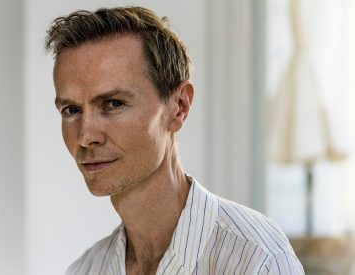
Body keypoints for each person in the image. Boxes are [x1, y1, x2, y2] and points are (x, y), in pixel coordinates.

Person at [45, 6, 304, 275]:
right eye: (72, 110)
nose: (86, 137)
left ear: (179, 107)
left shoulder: (257, 258)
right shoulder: (86, 269)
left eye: (114, 103)